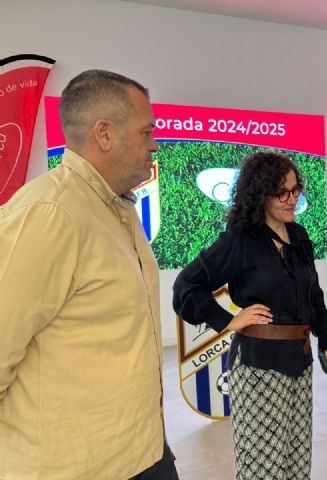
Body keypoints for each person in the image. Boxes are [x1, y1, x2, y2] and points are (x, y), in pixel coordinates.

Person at [0, 70, 178, 479]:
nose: (155, 144)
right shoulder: (51, 213)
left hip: (142, 450)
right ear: (105, 133)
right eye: (147, 131)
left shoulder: (116, 207)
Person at [173, 151, 327, 480]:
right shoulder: (240, 240)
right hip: (258, 368)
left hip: (299, 365)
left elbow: (313, 293)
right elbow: (186, 285)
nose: (292, 199)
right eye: (282, 193)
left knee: (296, 460)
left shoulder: (299, 236)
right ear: (260, 194)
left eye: (295, 190)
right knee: (261, 467)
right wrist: (227, 321)